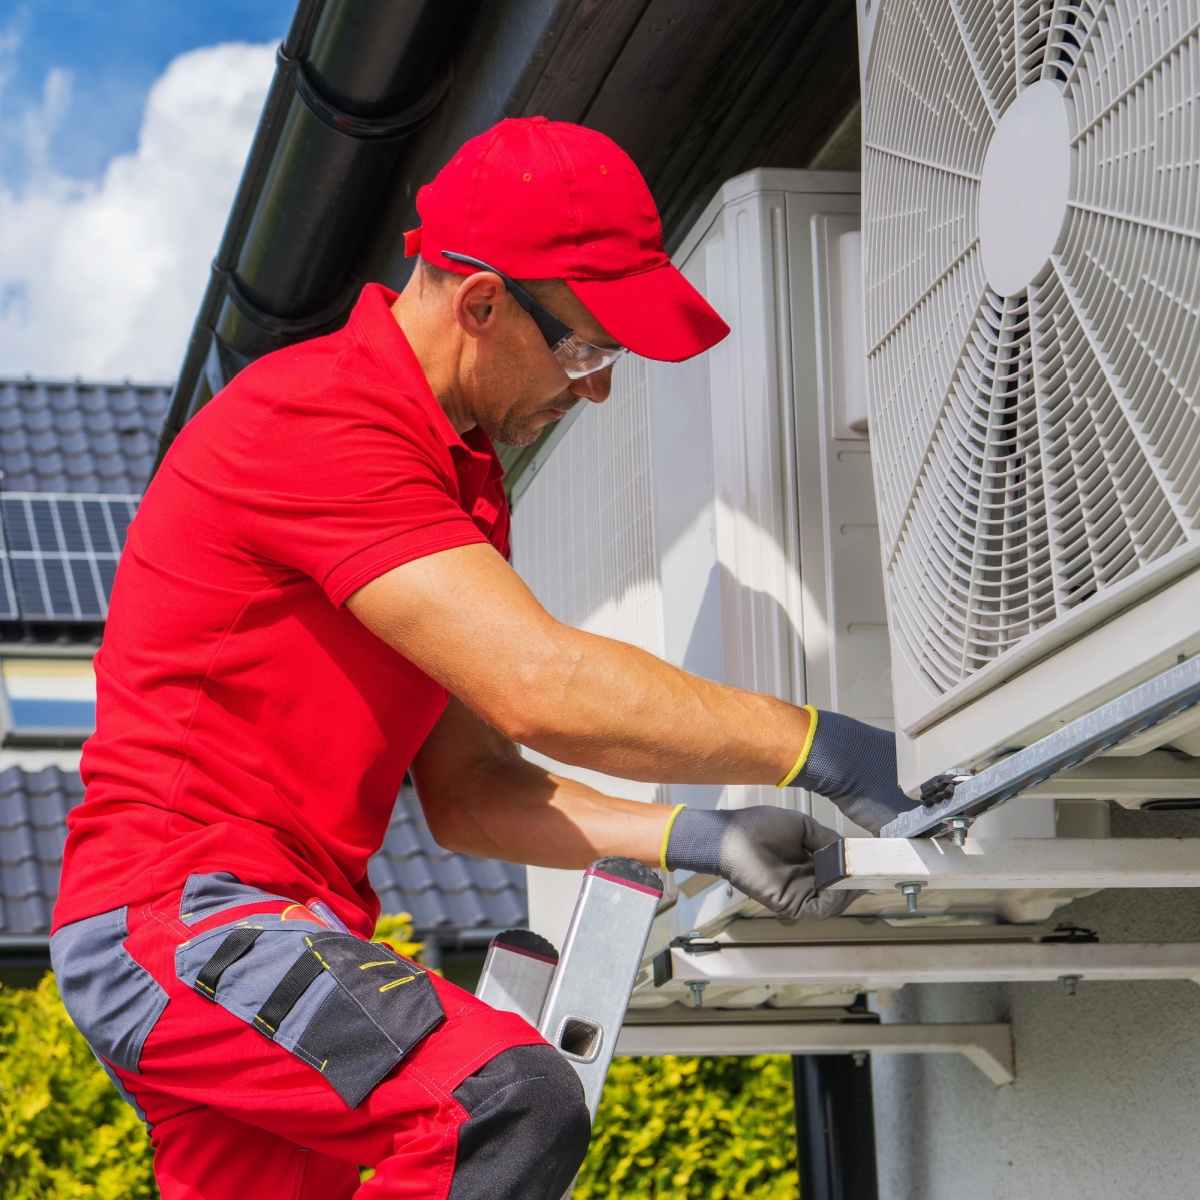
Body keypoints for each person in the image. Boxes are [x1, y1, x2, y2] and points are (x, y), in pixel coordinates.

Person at [49, 117, 912, 1200]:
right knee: (502, 1100)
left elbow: (470, 791)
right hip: (188, 919)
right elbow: (538, 685)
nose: (595, 389)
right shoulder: (323, 420)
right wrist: (822, 747)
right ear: (483, 301)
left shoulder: (453, 480)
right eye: (587, 349)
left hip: (276, 928)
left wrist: (702, 833)